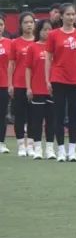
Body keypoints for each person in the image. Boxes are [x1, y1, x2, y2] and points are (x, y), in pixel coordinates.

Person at [45, 3, 76, 162]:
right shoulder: (53, 35)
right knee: (58, 115)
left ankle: (72, 150)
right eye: (68, 14)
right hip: (58, 78)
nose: (71, 17)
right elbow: (48, 58)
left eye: (73, 14)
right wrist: (47, 79)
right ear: (61, 16)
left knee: (73, 115)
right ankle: (60, 150)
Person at [26, 20, 56, 160]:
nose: (47, 32)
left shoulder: (55, 48)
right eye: (44, 29)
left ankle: (50, 148)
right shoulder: (33, 47)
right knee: (37, 121)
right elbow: (28, 69)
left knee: (51, 120)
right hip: (37, 89)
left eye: (49, 29)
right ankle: (37, 148)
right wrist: (28, 87)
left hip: (52, 89)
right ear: (39, 31)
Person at [9, 12, 37, 156]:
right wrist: (10, 84)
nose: (29, 25)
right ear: (20, 25)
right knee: (19, 116)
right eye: (26, 22)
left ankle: (31, 145)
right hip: (19, 84)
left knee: (33, 116)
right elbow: (11, 64)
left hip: (35, 85)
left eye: (31, 22)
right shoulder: (15, 43)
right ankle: (21, 145)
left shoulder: (38, 43)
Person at [0, 17, 10, 154]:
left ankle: (1, 142)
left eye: (1, 24)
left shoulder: (9, 43)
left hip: (4, 84)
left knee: (2, 114)